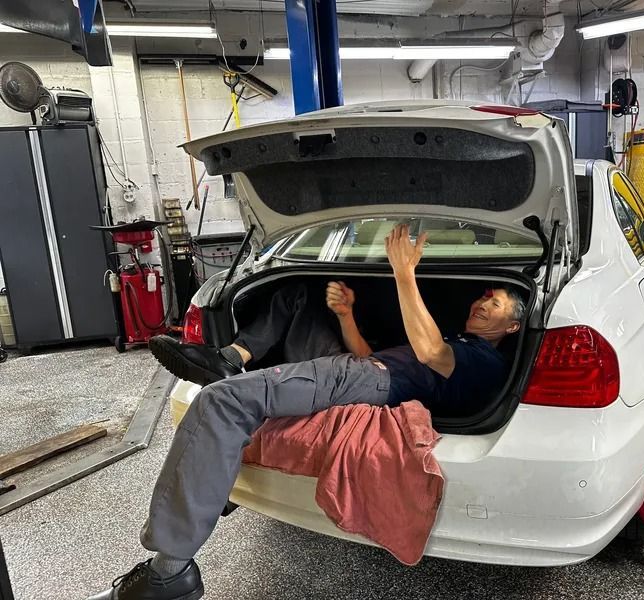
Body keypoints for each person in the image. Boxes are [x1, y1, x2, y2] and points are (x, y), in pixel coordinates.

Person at [87, 224, 525, 600]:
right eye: (484, 298)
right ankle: (231, 358)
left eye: (497, 304)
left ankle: (169, 573)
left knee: (219, 401)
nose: (483, 304)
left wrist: (404, 272)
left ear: (513, 326)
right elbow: (370, 353)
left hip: (369, 381)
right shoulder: (457, 339)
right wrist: (346, 314)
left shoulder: (486, 360)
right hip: (361, 368)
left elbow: (428, 353)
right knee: (300, 295)